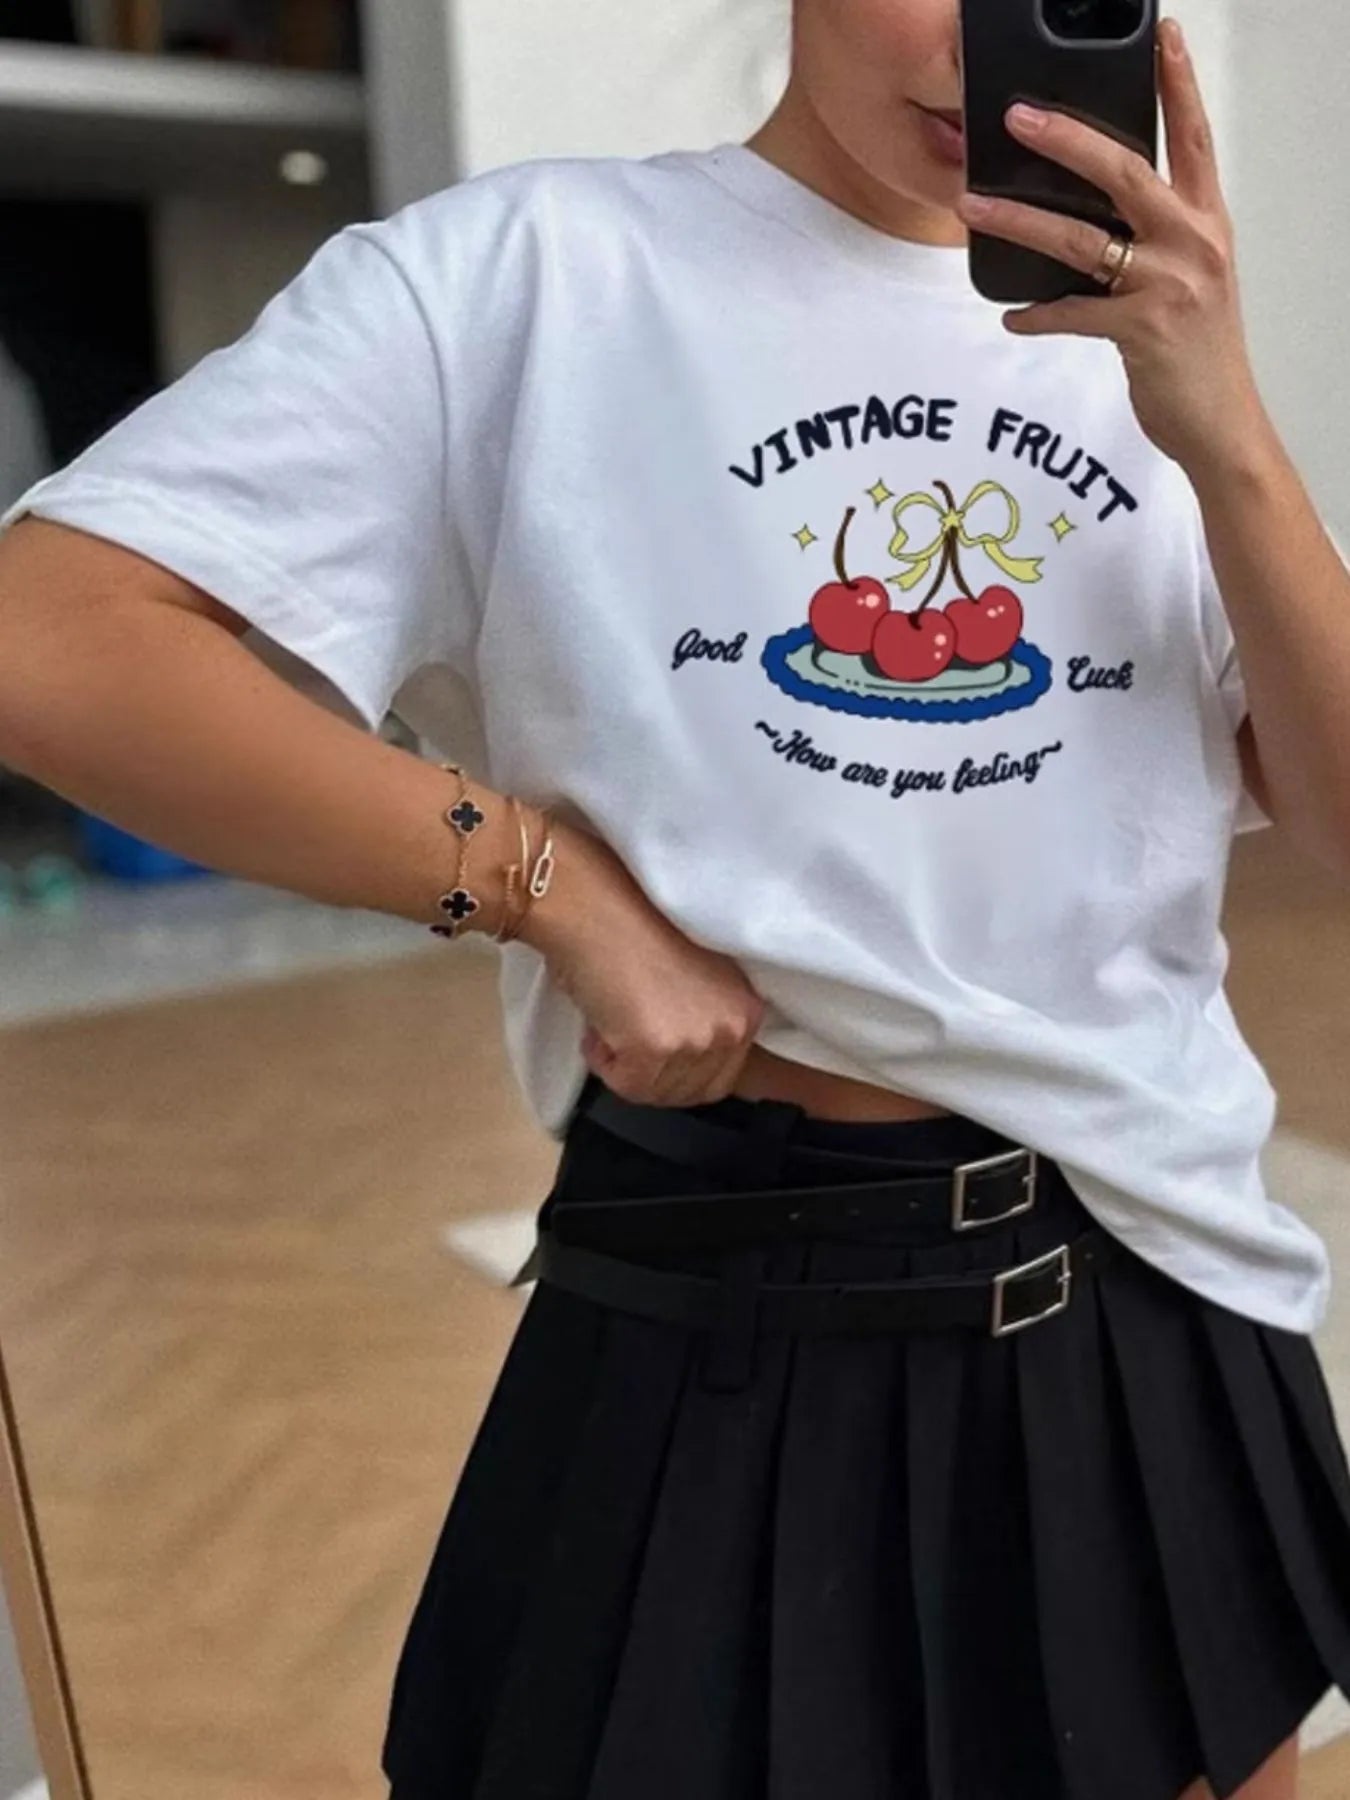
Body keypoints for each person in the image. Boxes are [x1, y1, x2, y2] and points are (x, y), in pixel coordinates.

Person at [2, 3, 1350, 1796]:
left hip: (1151, 1276)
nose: (978, 44)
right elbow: (55, 638)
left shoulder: (1150, 337)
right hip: (718, 1290)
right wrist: (546, 887)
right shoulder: (524, 279)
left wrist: (1227, 427)